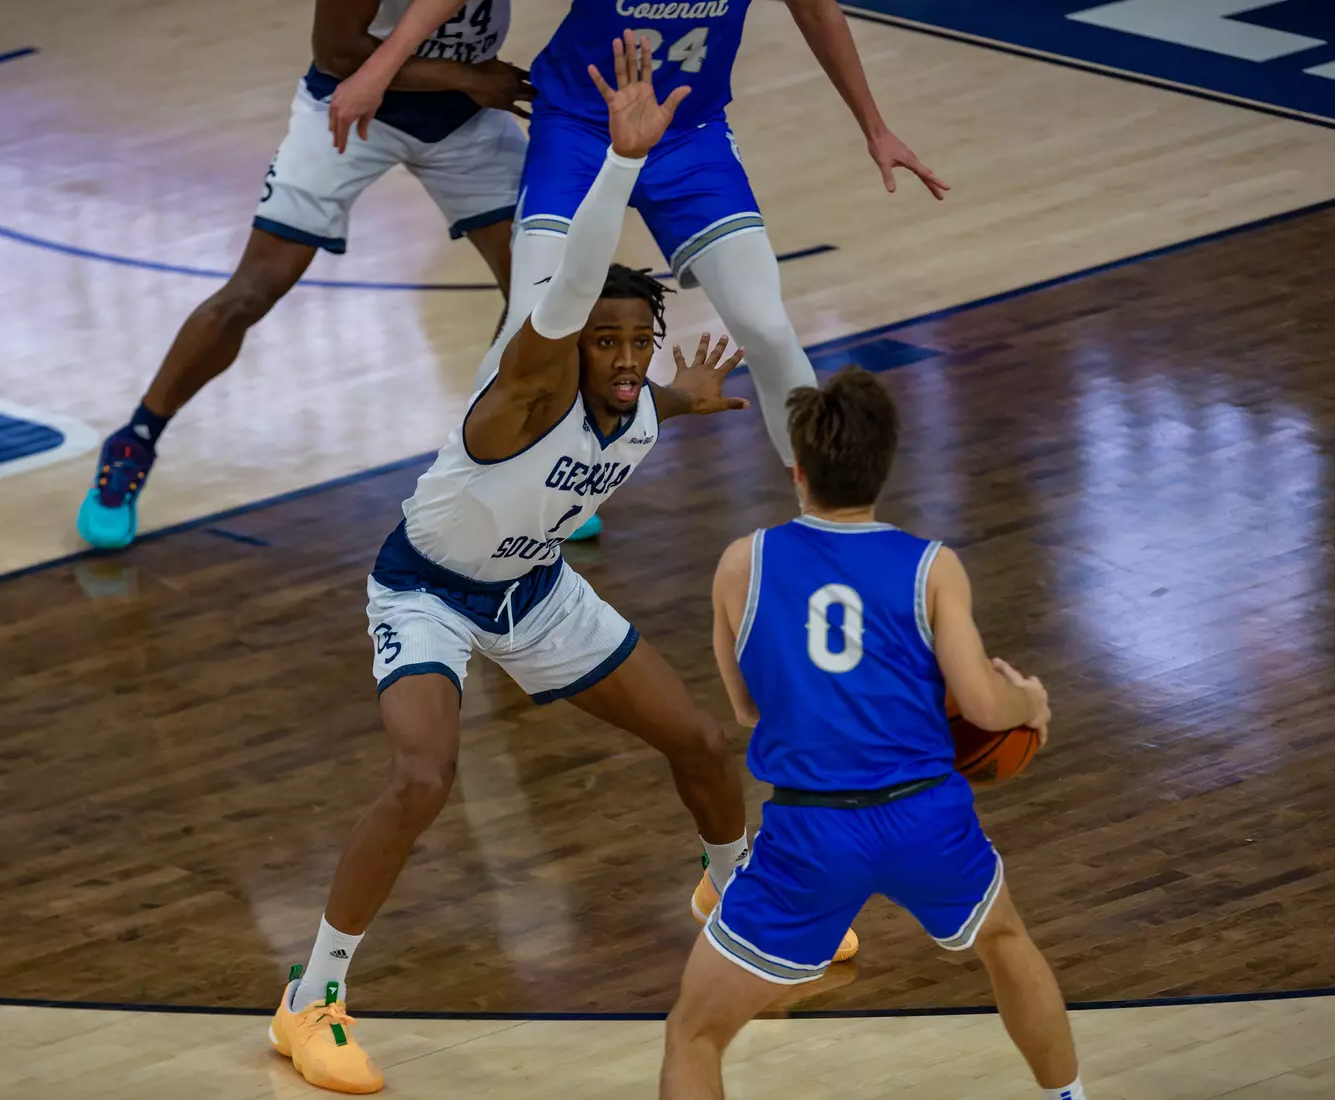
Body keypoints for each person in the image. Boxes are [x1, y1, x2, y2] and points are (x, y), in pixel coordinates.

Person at [270, 35, 762, 1094]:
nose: (627, 358)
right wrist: (621, 164)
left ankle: (735, 900)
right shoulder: (523, 394)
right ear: (566, 344)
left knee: (707, 745)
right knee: (421, 777)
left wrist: (690, 397)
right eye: (607, 342)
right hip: (429, 591)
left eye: (641, 342)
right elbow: (574, 283)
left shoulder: (635, 402)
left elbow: (645, 400)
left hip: (534, 592)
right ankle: (310, 998)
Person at [321, 0, 948, 543]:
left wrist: (876, 127)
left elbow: (816, 10)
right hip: (577, 126)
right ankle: (466, 498)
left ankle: (826, 519)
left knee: (766, 324)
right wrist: (378, 70)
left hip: (689, 136)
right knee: (529, 325)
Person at [659, 367, 1087, 1100]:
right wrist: (1030, 705)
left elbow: (747, 709)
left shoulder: (743, 564)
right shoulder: (932, 567)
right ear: (885, 465)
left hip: (811, 831)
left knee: (694, 1034)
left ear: (798, 470)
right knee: (1005, 942)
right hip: (925, 815)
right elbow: (984, 707)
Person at [75, 0, 534, 549]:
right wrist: (465, 74)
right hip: (353, 105)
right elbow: (339, 54)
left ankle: (518, 462)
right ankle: (135, 440)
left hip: (465, 115)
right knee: (251, 293)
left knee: (539, 293)